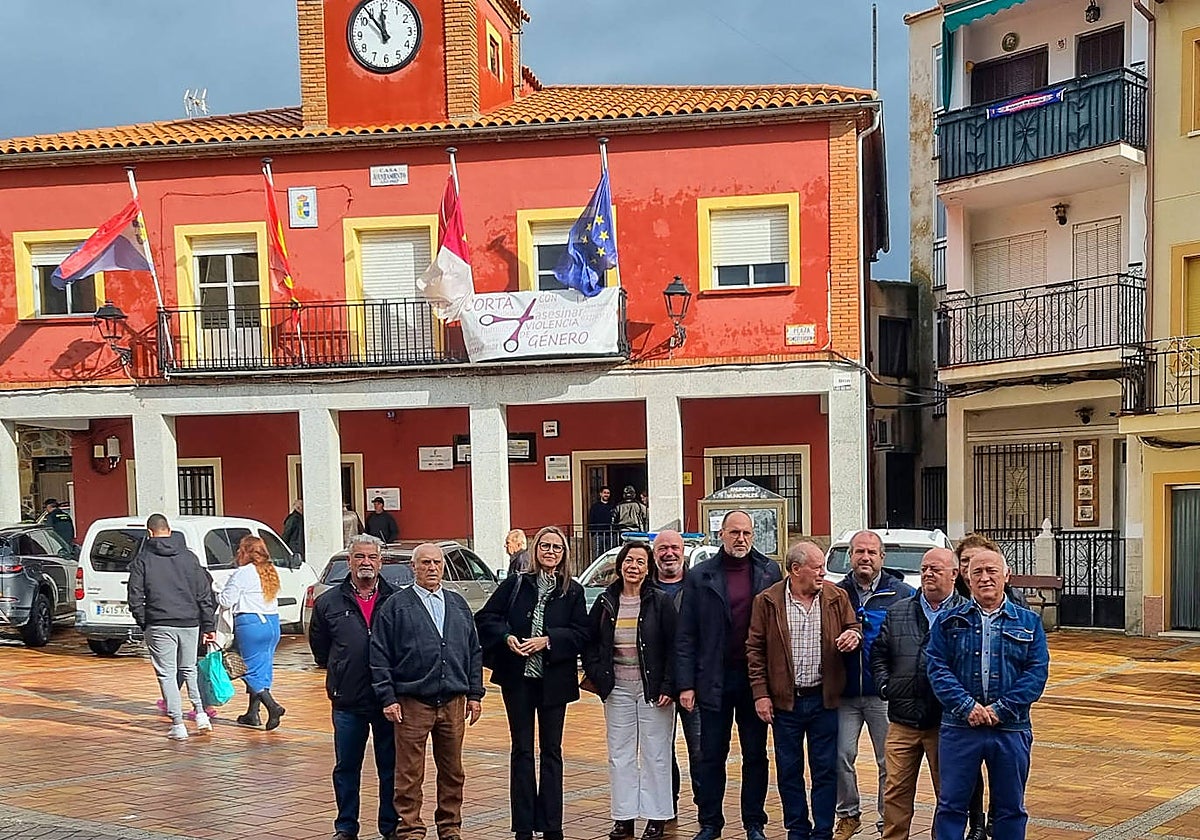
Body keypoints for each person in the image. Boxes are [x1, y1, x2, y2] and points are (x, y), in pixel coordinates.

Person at [475, 525, 590, 840]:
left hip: (554, 682)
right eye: (545, 546)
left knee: (551, 750)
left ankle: (552, 824)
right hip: (519, 682)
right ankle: (524, 825)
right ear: (535, 550)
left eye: (556, 547)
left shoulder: (573, 590)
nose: (550, 552)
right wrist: (507, 636)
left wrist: (548, 641)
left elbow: (582, 633)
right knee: (521, 750)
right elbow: (486, 618)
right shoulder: (516, 584)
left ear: (564, 554)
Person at [926, 549, 1049, 840]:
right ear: (967, 578)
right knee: (951, 806)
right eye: (977, 572)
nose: (984, 578)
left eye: (991, 571)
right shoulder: (948, 620)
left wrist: (1000, 709)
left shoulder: (1028, 623)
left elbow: (1036, 673)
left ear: (1006, 576)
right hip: (960, 727)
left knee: (1010, 809)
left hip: (1010, 728)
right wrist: (967, 706)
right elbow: (937, 667)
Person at [676, 510, 783, 840]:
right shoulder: (699, 575)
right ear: (721, 534)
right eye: (735, 532)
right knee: (711, 755)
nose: (741, 539)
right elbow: (686, 634)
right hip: (713, 678)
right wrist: (686, 684)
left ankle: (755, 823)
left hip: (754, 680)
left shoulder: (769, 571)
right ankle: (710, 822)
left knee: (755, 755)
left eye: (747, 533)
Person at [746, 541, 862, 840]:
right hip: (787, 703)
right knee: (789, 771)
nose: (824, 573)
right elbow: (755, 649)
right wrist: (761, 693)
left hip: (824, 699)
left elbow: (855, 627)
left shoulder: (837, 596)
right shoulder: (767, 601)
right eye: (818, 567)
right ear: (796, 570)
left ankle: (822, 831)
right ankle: (797, 829)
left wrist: (852, 634)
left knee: (825, 770)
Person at [370, 543, 484, 840]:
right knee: (408, 774)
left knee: (453, 771)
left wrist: (475, 694)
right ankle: (409, 829)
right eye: (425, 563)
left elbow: (473, 650)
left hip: (453, 701)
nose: (432, 568)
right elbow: (379, 653)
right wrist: (388, 697)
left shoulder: (458, 604)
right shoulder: (396, 605)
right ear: (414, 567)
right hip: (412, 703)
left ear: (443, 567)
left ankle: (450, 827)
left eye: (436, 563)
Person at [583, 541, 677, 840]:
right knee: (620, 753)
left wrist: (668, 685)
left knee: (656, 753)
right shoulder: (605, 601)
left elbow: (675, 647)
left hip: (653, 691)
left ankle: (657, 816)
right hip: (617, 689)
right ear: (620, 565)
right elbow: (590, 642)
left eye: (640, 561)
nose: (633, 566)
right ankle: (623, 818)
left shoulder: (660, 601)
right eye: (628, 560)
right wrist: (598, 675)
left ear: (648, 568)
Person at [869, 549, 965, 840]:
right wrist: (886, 686)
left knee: (947, 793)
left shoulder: (966, 613)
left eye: (936, 569)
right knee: (895, 791)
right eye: (924, 569)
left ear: (954, 574)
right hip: (902, 721)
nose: (928, 574)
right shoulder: (899, 610)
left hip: (945, 723)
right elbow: (879, 655)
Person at [310, 534, 400, 840]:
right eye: (359, 557)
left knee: (390, 768)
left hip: (388, 699)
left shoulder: (396, 599)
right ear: (350, 561)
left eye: (371, 557)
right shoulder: (328, 602)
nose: (365, 563)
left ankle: (390, 826)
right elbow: (320, 649)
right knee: (347, 767)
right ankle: (346, 826)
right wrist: (340, 669)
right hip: (347, 700)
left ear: (380, 562)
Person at [834, 530, 915, 840]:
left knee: (888, 761)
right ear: (850, 557)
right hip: (845, 694)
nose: (864, 558)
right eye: (858, 552)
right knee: (841, 755)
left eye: (871, 552)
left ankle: (887, 821)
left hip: (884, 695)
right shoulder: (837, 594)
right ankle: (848, 814)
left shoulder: (902, 594)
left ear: (882, 557)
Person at [952, 533, 1026, 840]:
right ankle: (977, 822)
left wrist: (1003, 707)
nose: (974, 569)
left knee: (1005, 780)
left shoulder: (1015, 606)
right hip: (959, 713)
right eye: (966, 562)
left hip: (1005, 716)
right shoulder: (954, 605)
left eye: (981, 561)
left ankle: (994, 818)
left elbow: (1031, 667)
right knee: (964, 782)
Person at [126, 513, 217, 740]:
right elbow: (204, 593)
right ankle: (200, 714)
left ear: (149, 533)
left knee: (167, 674)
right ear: (169, 530)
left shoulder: (142, 560)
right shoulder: (189, 558)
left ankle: (178, 724)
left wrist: (144, 621)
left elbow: (135, 596)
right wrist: (208, 625)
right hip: (189, 621)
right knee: (189, 669)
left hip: (158, 623)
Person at [652, 529, 703, 818]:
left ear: (683, 551)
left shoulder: (698, 585)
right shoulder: (645, 586)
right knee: (660, 751)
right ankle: (665, 806)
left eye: (674, 547)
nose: (669, 554)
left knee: (699, 749)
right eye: (662, 549)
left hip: (692, 684)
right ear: (654, 552)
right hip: (656, 684)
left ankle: (705, 809)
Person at [218, 535, 286, 731]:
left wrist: (217, 591)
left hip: (251, 623)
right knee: (262, 669)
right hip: (272, 623)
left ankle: (272, 706)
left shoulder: (243, 573)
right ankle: (252, 713)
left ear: (244, 551)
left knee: (247, 669)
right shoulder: (270, 571)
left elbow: (226, 601)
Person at [589, 486, 617, 557]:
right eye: (605, 493)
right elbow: (592, 519)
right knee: (598, 555)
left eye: (608, 493)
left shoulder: (613, 506)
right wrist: (593, 532)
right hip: (599, 534)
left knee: (610, 554)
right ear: (600, 494)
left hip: (610, 534)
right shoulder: (595, 507)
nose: (606, 495)